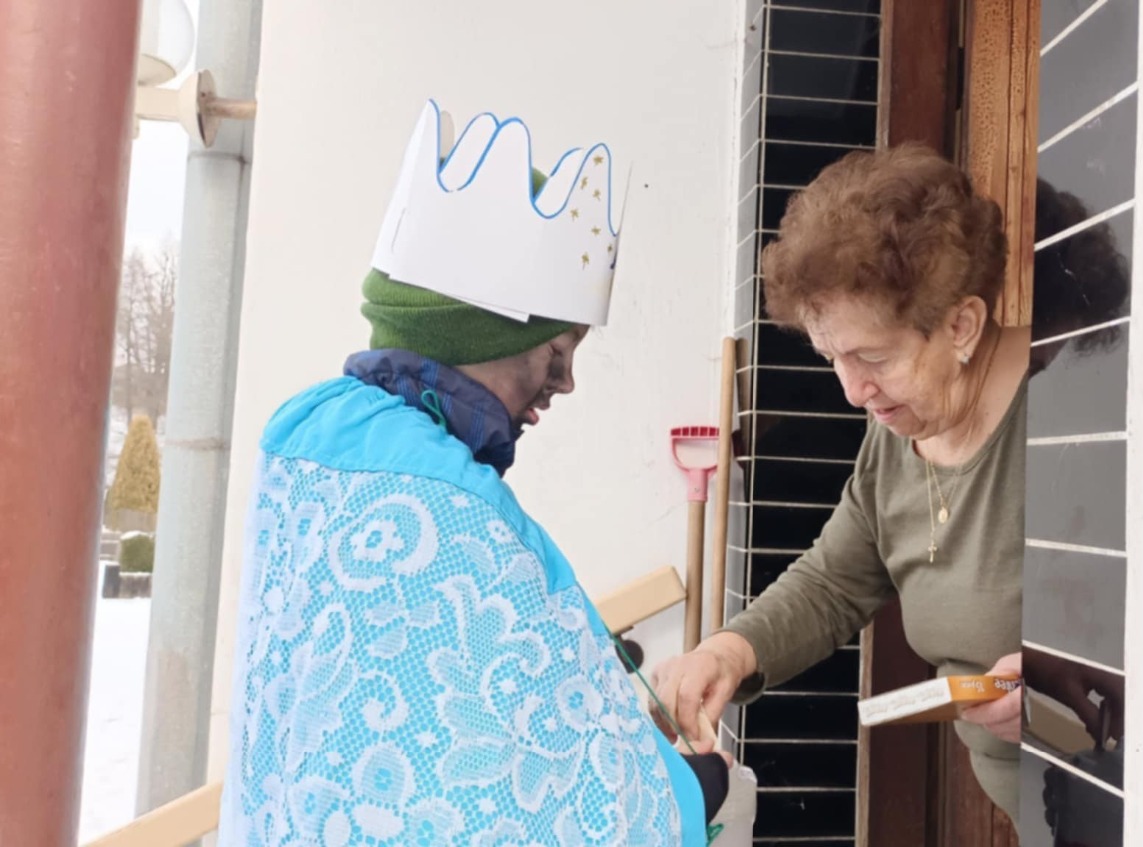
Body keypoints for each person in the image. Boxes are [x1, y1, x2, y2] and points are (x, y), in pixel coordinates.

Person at [217, 100, 727, 847]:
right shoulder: (449, 504)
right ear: (481, 335)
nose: (566, 384)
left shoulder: (305, 439)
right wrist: (688, 790)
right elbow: (537, 799)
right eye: (557, 354)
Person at [652, 143, 1030, 820]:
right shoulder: (898, 435)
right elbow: (833, 581)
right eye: (833, 358)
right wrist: (729, 652)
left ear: (962, 325)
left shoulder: (1063, 415)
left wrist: (1061, 689)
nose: (854, 392)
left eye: (873, 357)